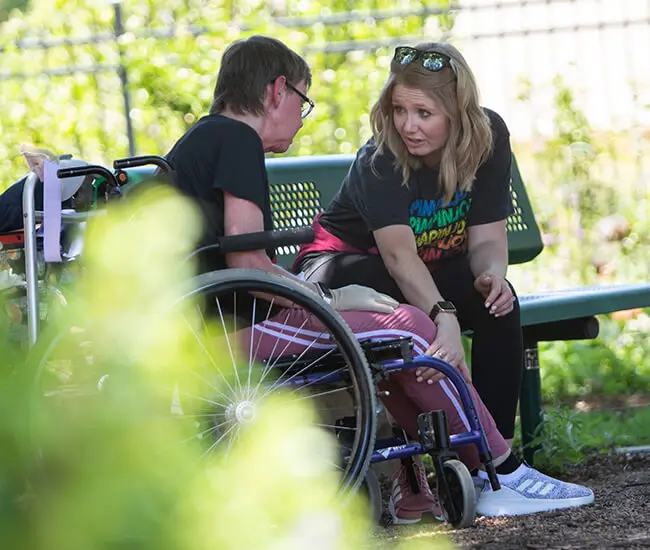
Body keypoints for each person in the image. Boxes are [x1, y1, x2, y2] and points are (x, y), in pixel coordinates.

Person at [164, 35, 594, 524]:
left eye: (424, 114)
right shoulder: (236, 140)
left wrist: (482, 282)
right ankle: (498, 470)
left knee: (431, 317)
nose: (408, 126)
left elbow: (240, 264)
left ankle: (474, 471)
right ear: (277, 91)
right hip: (227, 335)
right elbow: (248, 266)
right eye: (303, 102)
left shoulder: (207, 138)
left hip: (214, 327)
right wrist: (328, 296)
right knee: (409, 324)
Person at [294, 43, 523, 453]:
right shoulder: (381, 158)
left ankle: (499, 457)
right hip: (343, 272)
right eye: (399, 110)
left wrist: (492, 275)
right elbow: (398, 258)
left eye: (424, 113)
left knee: (499, 305)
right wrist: (445, 316)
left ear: (457, 112)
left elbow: (488, 237)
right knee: (410, 308)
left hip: (419, 272)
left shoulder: (487, 138)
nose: (408, 125)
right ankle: (476, 453)